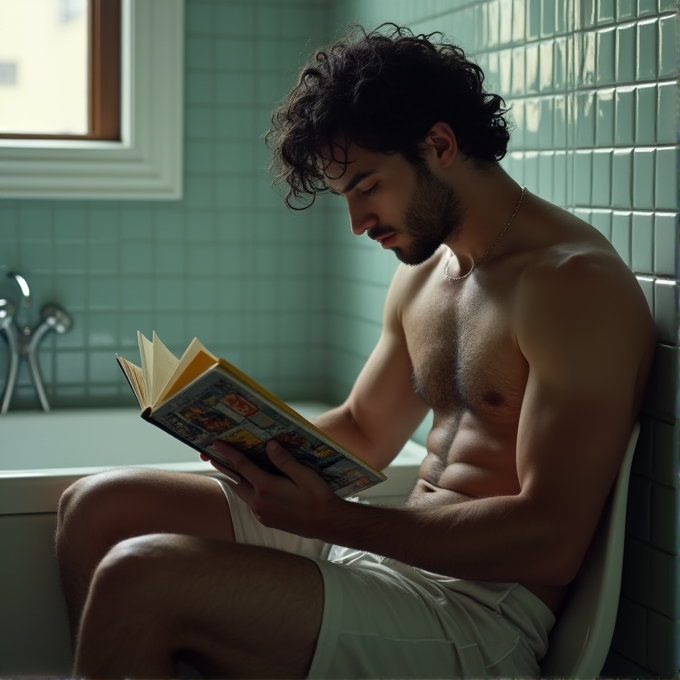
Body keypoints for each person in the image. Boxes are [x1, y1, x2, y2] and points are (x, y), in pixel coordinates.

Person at [55, 24, 656, 679]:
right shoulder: (427, 273)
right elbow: (366, 430)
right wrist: (249, 445)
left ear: (441, 144)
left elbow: (553, 541)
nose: (357, 221)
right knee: (97, 509)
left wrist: (336, 521)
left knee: (140, 578)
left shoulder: (571, 285)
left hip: (477, 614)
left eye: (367, 186)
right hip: (390, 553)